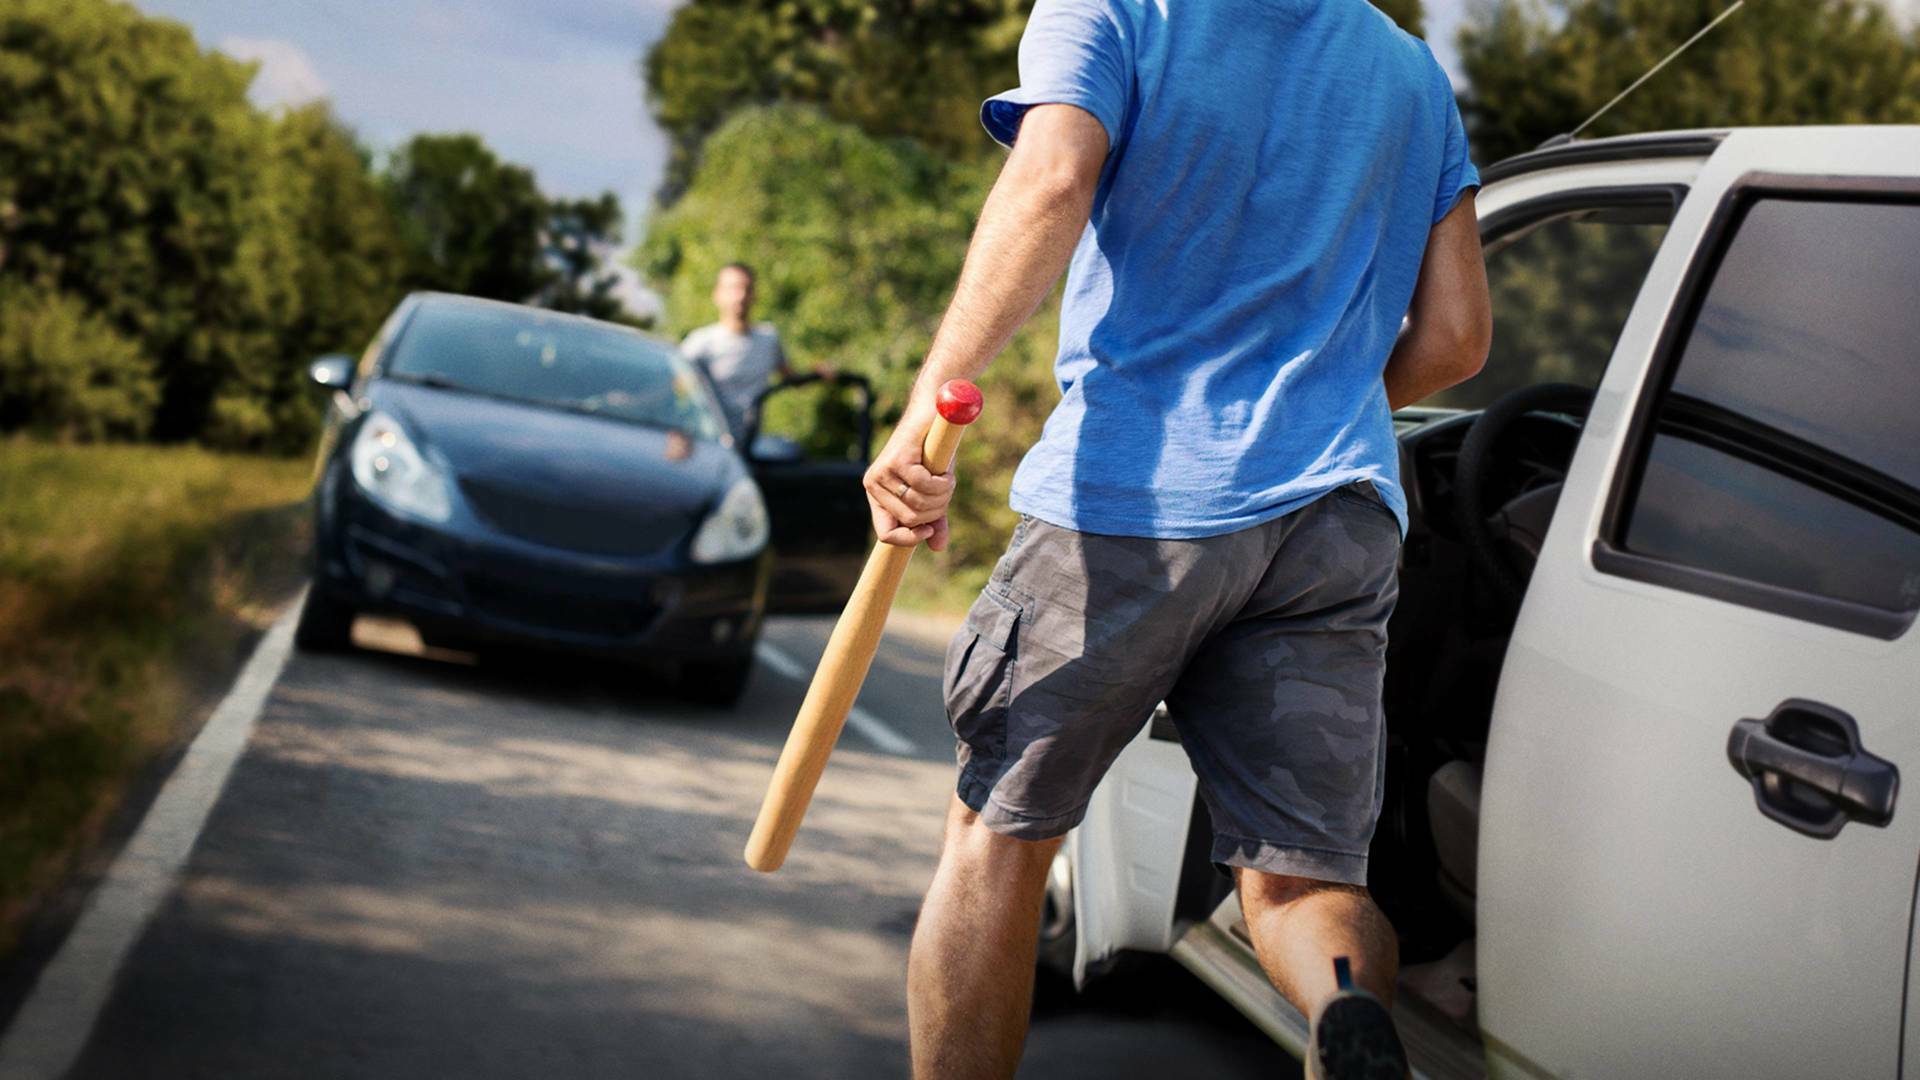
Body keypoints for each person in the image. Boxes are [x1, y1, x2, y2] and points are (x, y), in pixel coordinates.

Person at [861, 2, 1492, 1078]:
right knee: (1304, 883)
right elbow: (1458, 339)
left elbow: (1053, 180)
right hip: (1336, 518)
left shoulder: (1111, 9)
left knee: (999, 841)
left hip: (1137, 504)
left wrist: (928, 409)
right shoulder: (1409, 71)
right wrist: (1325, 406)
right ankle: (1349, 1021)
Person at [680, 262, 828, 439]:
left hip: (750, 445)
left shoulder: (768, 338)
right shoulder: (699, 343)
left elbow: (792, 379)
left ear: (754, 295)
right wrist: (678, 434)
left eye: (747, 288)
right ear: (717, 294)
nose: (740, 295)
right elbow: (674, 390)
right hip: (708, 442)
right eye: (733, 288)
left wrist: (819, 374)